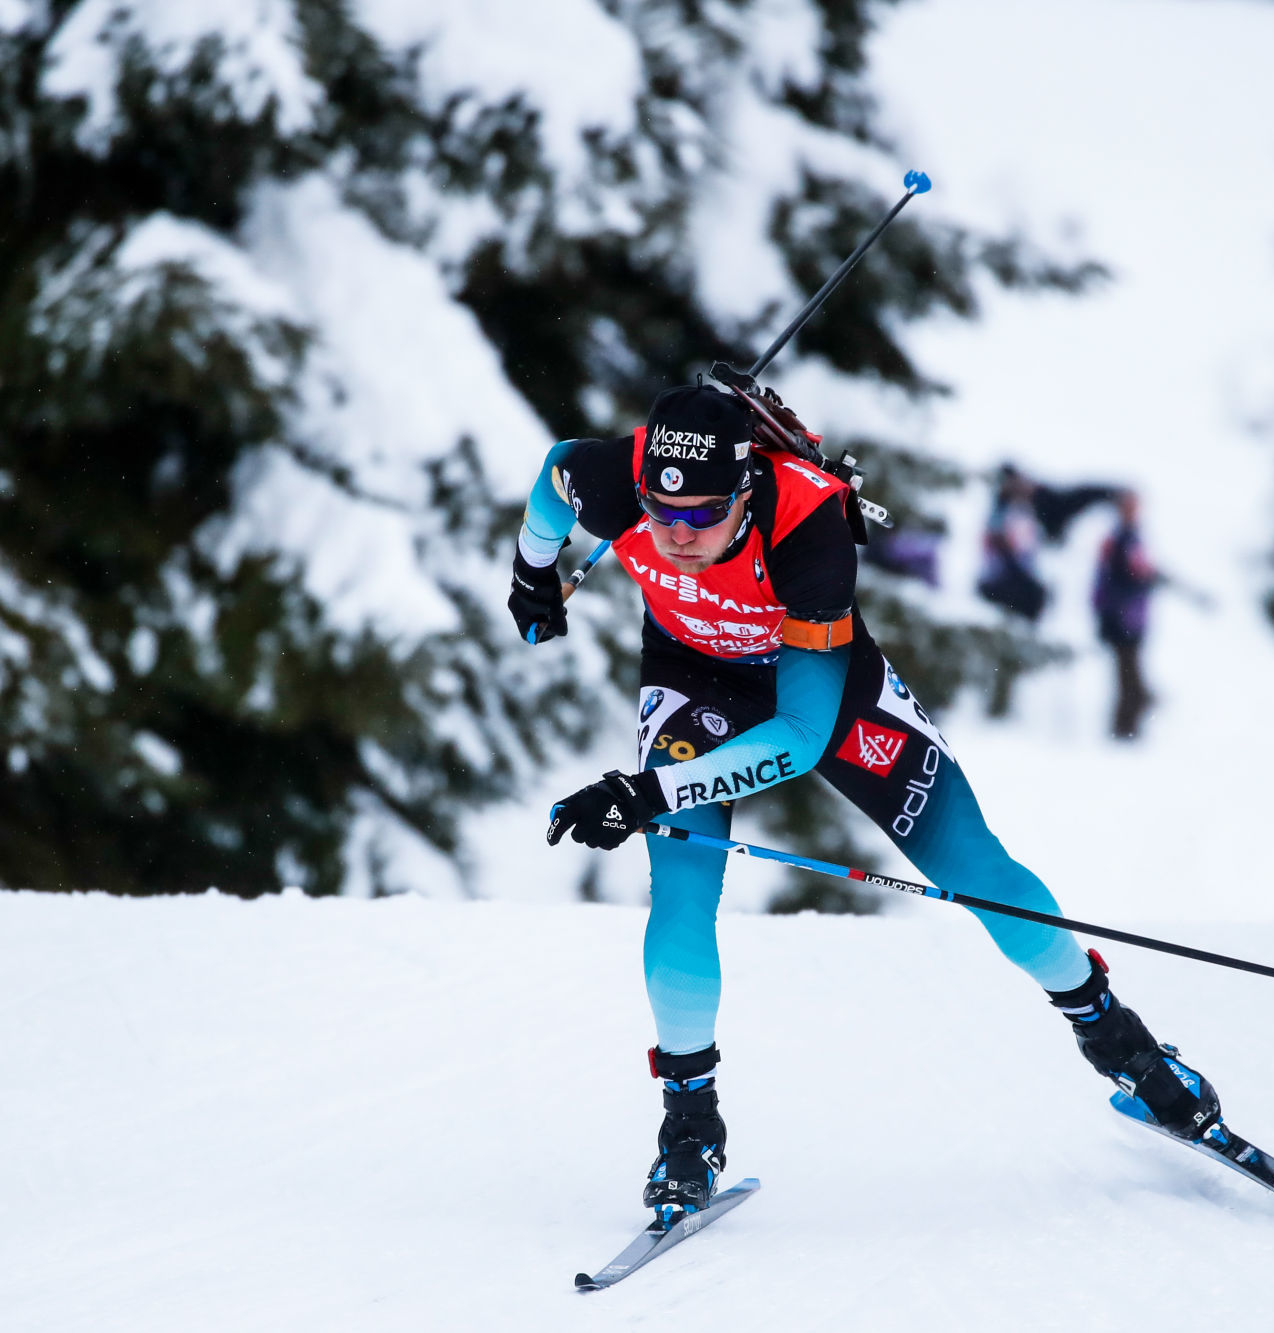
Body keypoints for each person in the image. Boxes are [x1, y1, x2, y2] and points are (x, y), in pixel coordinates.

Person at [509, 384, 1219, 1227]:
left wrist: (642, 793)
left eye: (702, 514)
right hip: (690, 677)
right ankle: (690, 1126)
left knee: (975, 868)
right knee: (682, 901)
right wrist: (531, 570)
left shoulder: (808, 527)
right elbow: (556, 479)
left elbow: (800, 735)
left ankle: (1119, 1042)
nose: (678, 534)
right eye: (662, 512)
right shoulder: (615, 476)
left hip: (824, 690)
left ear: (744, 490)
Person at [974, 463, 1120, 624]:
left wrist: (1111, 494)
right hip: (1005, 590)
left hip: (1028, 588)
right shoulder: (1000, 517)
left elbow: (1074, 499)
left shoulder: (1038, 504)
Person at [1092, 490, 1158, 740]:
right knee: (1128, 679)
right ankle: (1124, 730)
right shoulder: (1118, 541)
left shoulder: (1131, 539)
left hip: (1132, 617)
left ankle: (1127, 728)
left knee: (1130, 676)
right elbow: (1112, 581)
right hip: (1120, 617)